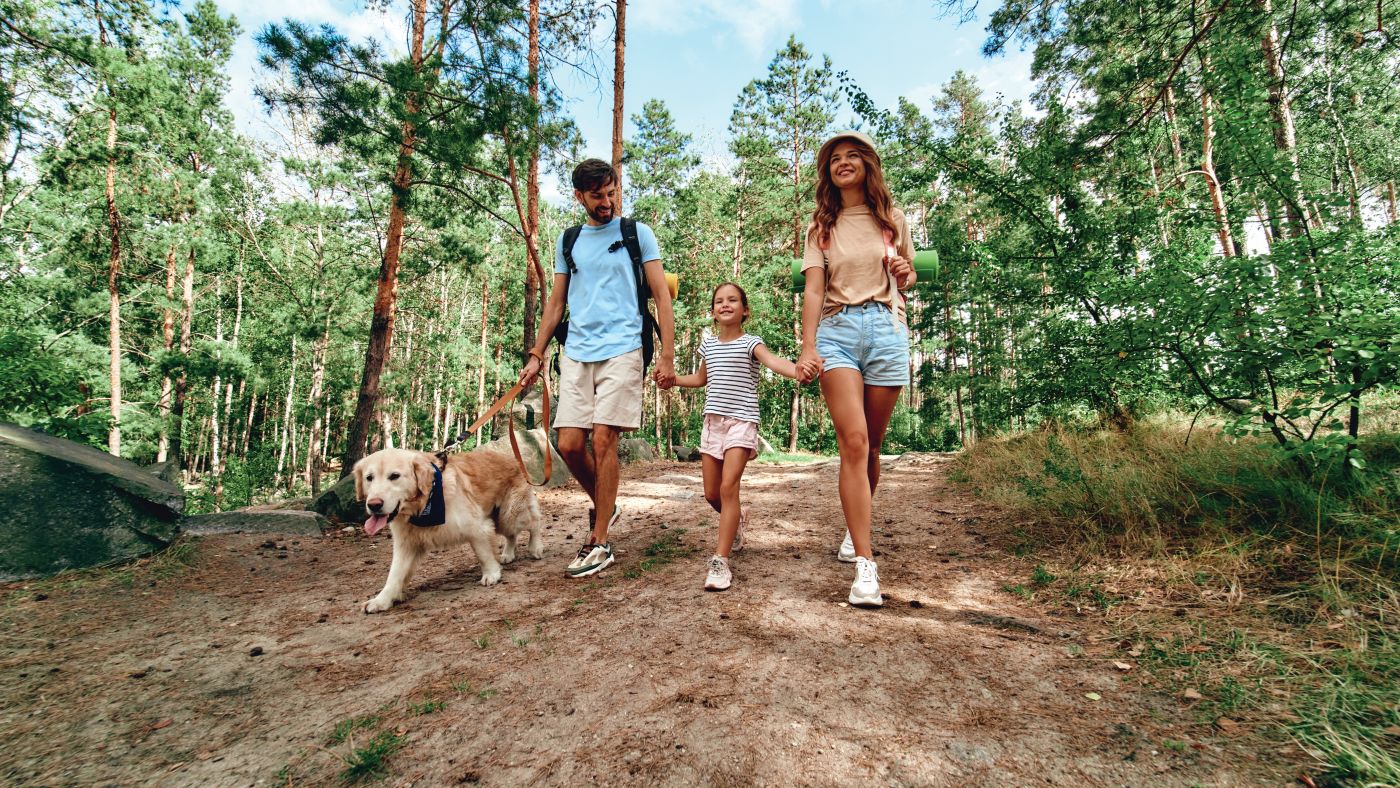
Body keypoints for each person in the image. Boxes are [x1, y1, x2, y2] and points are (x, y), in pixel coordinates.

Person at [519, 158, 676, 578]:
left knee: (605, 437)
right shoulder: (568, 240)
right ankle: (609, 504)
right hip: (577, 351)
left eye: (611, 193)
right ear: (579, 196)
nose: (606, 202)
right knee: (570, 444)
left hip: (624, 347)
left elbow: (661, 295)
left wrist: (666, 355)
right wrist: (536, 354)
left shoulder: (636, 233)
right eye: (597, 196)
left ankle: (600, 539)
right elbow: (556, 303)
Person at [796, 131, 916, 608]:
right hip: (837, 331)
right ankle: (866, 567)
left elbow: (905, 276)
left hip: (886, 330)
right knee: (854, 441)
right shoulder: (821, 226)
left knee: (873, 449)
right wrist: (808, 347)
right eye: (834, 159)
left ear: (868, 164)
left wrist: (905, 273)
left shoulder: (894, 220)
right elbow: (812, 290)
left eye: (852, 156)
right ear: (827, 171)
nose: (843, 163)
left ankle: (854, 528)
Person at [669, 283, 802, 591]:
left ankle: (720, 561)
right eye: (719, 301)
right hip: (712, 423)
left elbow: (773, 362)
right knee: (712, 494)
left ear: (745, 310)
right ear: (713, 312)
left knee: (729, 487)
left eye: (732, 300)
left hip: (742, 423)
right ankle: (737, 521)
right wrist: (673, 379)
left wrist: (798, 370)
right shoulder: (708, 346)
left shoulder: (751, 343)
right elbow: (700, 379)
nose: (725, 304)